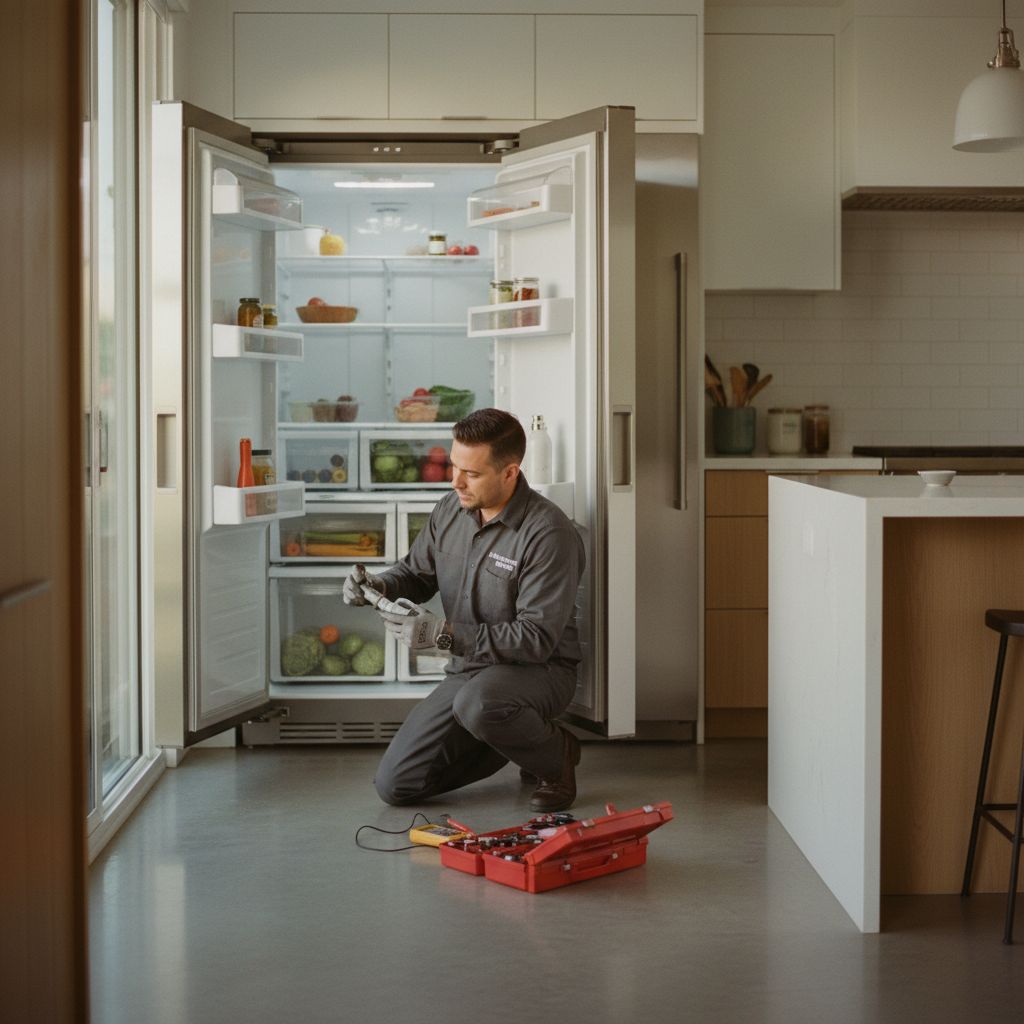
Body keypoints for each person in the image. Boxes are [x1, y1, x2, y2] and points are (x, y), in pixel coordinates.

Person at [343, 408, 585, 812]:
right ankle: (515, 742)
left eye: (470, 473)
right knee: (396, 785)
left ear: (509, 472)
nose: (454, 481)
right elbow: (416, 574)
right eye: (454, 467)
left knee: (479, 704)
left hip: (539, 672)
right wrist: (378, 584)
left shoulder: (548, 533)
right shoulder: (450, 509)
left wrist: (443, 635)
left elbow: (536, 639)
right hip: (470, 670)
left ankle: (556, 759)